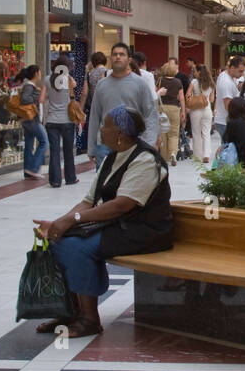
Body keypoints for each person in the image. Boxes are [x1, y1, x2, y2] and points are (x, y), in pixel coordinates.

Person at [34, 106, 172, 338]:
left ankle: (89, 319)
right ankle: (70, 311)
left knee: (75, 247)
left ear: (120, 133)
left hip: (144, 230)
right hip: (119, 225)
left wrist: (73, 220)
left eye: (106, 125)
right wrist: (60, 223)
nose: (100, 129)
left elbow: (122, 205)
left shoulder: (146, 160)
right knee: (59, 239)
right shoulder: (112, 157)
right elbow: (88, 201)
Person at [89, 42, 158, 165]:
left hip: (132, 145)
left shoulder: (140, 84)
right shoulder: (102, 85)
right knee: (106, 183)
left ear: (129, 59)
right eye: (115, 54)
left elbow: (150, 114)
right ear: (111, 59)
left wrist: (148, 144)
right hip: (105, 146)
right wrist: (91, 147)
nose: (118, 57)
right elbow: (95, 116)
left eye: (122, 54)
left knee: (128, 183)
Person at [44, 54, 80, 188]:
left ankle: (55, 180)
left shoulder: (47, 79)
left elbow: (44, 97)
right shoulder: (69, 79)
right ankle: (70, 178)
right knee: (68, 150)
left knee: (54, 151)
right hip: (67, 121)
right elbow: (74, 88)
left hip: (52, 120)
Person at [17, 65, 49, 180]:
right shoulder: (29, 86)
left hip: (27, 119)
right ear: (36, 73)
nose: (40, 74)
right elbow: (25, 99)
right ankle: (34, 168)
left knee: (29, 145)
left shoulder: (29, 85)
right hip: (32, 119)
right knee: (44, 142)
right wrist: (36, 97)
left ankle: (28, 171)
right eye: (40, 71)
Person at [186, 63, 216, 163]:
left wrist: (195, 96)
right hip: (207, 110)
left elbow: (188, 94)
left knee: (196, 133)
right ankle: (206, 155)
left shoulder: (194, 82)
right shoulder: (211, 83)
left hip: (195, 110)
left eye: (195, 71)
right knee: (206, 133)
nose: (194, 73)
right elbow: (211, 100)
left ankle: (198, 155)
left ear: (199, 72)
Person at [156, 60, 183, 166]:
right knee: (174, 134)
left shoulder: (160, 81)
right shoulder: (178, 82)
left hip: (161, 108)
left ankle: (164, 157)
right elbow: (181, 98)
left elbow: (156, 94)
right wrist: (183, 111)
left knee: (163, 133)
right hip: (174, 108)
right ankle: (173, 153)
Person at [213, 56, 245, 142]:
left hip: (224, 121)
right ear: (232, 68)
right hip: (225, 122)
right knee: (228, 150)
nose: (242, 74)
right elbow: (228, 106)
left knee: (226, 148)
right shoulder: (226, 82)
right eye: (240, 71)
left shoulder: (225, 76)